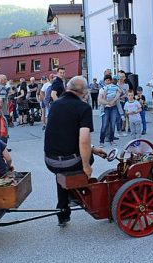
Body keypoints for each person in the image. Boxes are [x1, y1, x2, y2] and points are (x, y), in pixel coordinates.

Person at [44, 76, 107, 227]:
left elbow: (65, 136)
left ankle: (63, 210)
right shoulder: (83, 108)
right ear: (84, 92)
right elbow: (83, 140)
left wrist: (93, 149)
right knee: (86, 160)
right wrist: (86, 165)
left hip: (50, 161)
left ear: (68, 88)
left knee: (62, 173)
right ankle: (75, 194)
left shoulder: (56, 104)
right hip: (68, 161)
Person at [98, 74, 121, 147]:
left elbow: (119, 93)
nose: (107, 81)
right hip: (105, 108)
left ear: (111, 81)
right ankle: (101, 141)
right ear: (104, 81)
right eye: (106, 80)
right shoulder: (102, 89)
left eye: (109, 80)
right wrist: (108, 102)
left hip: (113, 108)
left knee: (113, 125)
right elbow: (100, 99)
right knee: (104, 125)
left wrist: (113, 101)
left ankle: (112, 140)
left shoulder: (114, 87)